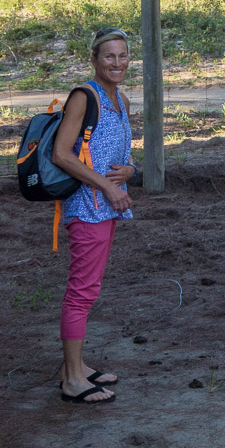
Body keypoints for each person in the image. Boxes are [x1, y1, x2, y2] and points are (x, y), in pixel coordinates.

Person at [52, 27, 138, 403]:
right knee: (82, 290)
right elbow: (61, 154)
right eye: (109, 56)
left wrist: (128, 173)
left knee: (89, 288)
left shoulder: (120, 99)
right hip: (86, 208)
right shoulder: (84, 97)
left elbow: (121, 154)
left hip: (107, 206)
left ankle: (77, 365)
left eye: (122, 56)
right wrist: (106, 186)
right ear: (95, 60)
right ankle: (72, 379)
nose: (117, 63)